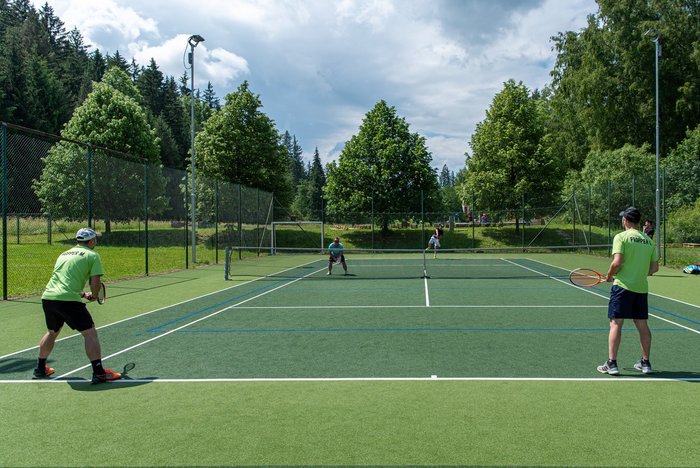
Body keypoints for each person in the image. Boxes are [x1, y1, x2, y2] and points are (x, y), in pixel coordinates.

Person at [33, 227, 122, 384]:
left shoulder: (63, 254)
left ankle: (40, 369)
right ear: (91, 241)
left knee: (52, 332)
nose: (96, 241)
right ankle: (99, 373)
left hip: (48, 297)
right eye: (95, 239)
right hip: (67, 300)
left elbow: (64, 280)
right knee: (90, 333)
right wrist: (94, 295)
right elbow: (95, 282)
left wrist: (81, 294)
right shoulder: (93, 255)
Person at [597, 207, 659, 376]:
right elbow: (655, 267)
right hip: (641, 288)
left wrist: (610, 275)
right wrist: (639, 273)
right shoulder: (649, 241)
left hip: (622, 287)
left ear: (625, 220)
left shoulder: (621, 237)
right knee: (642, 324)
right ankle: (646, 363)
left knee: (616, 323)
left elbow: (617, 262)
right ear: (638, 222)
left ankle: (612, 363)